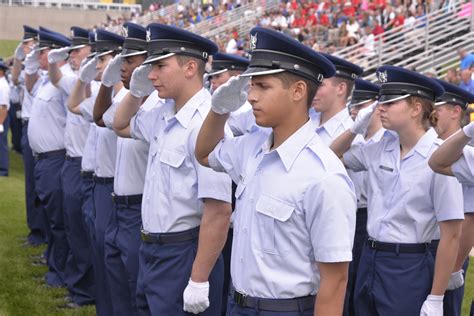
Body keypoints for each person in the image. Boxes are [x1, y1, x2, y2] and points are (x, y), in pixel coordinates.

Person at [194, 26, 356, 315]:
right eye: (251, 86)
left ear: (298, 91)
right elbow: (204, 153)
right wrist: (218, 110)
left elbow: (335, 280)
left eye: (263, 86)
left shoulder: (324, 175)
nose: (252, 96)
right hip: (238, 303)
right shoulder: (252, 147)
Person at [113, 23, 232, 315]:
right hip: (151, 248)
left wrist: (199, 278)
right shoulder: (164, 113)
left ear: (190, 67)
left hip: (182, 252)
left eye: (159, 66)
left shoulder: (206, 124)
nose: (151, 74)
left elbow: (218, 211)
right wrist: (136, 92)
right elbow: (120, 125)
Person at [330, 65, 464, 316]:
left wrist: (436, 297)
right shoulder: (381, 148)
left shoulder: (439, 157)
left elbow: (452, 235)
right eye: (382, 101)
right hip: (370, 257)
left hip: (408, 265)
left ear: (416, 109)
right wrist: (353, 129)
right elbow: (331, 156)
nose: (381, 107)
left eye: (390, 102)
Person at [93, 22, 159, 316]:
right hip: (118, 206)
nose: (122, 66)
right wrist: (107, 86)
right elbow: (99, 118)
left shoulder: (159, 105)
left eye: (129, 61)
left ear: (145, 64)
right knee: (116, 282)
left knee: (136, 289)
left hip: (139, 209)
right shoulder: (125, 100)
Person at [47, 26, 95, 308]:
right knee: (69, 225)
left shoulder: (102, 86)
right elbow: (56, 79)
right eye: (73, 53)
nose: (75, 57)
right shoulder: (73, 80)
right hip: (70, 161)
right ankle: (75, 282)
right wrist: (55, 61)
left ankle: (83, 290)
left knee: (80, 230)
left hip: (84, 166)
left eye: (79, 52)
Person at [25, 29, 72, 288]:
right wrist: (31, 63)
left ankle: (59, 273)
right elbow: (29, 84)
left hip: (56, 158)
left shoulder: (66, 81)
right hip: (43, 159)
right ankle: (52, 264)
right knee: (50, 214)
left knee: (58, 220)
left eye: (42, 52)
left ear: (56, 54)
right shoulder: (47, 80)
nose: (38, 55)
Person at [428, 82, 474, 316]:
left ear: (456, 112)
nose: (432, 114)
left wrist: (456, 264)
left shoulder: (469, 149)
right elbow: (437, 162)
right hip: (427, 244)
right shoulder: (430, 145)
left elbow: (469, 215)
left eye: (438, 108)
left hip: (451, 247)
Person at [344, 78, 384, 316]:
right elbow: (333, 155)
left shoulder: (386, 140)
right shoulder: (356, 140)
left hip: (369, 214)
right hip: (351, 212)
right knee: (350, 282)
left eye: (362, 107)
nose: (356, 111)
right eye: (354, 107)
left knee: (363, 280)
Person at [10, 26, 49, 246]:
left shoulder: (44, 69)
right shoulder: (29, 67)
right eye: (25, 45)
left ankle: (43, 231)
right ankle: (35, 230)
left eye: (31, 44)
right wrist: (18, 57)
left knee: (42, 182)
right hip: (28, 126)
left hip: (41, 126)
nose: (28, 49)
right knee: (31, 183)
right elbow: (15, 79)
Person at [311, 53, 363, 145]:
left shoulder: (352, 139)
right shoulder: (307, 121)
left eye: (320, 85)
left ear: (341, 89)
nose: (313, 90)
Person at [0, 61, 10, 177]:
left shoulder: (3, 86)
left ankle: (3, 170)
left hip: (1, 117)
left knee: (1, 143)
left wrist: (0, 124)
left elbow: (3, 107)